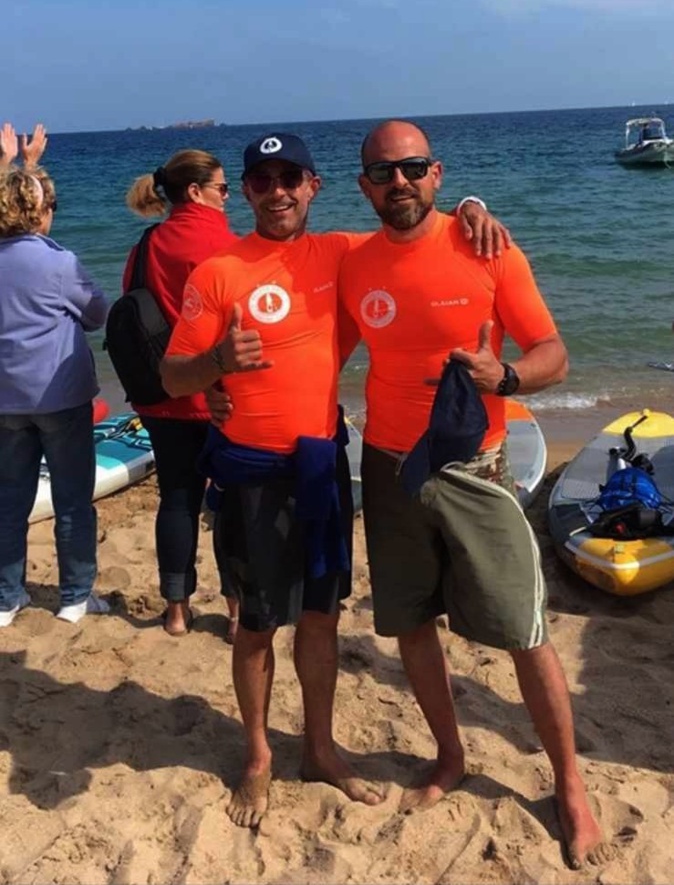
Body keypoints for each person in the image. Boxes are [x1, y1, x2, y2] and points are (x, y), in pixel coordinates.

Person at [161, 131, 509, 830]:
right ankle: (258, 755)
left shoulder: (344, 254)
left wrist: (470, 202)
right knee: (256, 625)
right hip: (252, 476)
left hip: (320, 465)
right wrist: (215, 366)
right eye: (261, 181)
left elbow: (412, 226)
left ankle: (319, 748)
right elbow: (172, 374)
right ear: (247, 192)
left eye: (291, 177)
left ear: (314, 187)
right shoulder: (217, 271)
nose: (278, 191)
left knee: (321, 619)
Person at [337, 119, 608, 870]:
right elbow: (300, 323)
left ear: (436, 174)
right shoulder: (352, 264)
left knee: (525, 632)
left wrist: (508, 378)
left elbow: (553, 353)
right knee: (412, 622)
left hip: (475, 467)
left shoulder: (486, 246)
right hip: (390, 468)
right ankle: (449, 756)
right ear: (364, 185)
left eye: (413, 168)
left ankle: (571, 787)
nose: (399, 182)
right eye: (384, 173)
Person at [122, 149, 240, 638]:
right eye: (222, 188)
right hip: (217, 395)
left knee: (176, 497)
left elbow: (132, 305)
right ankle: (237, 613)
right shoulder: (226, 243)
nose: (228, 197)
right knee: (231, 502)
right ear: (195, 192)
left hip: (160, 392)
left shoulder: (146, 244)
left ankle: (175, 610)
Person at [0, 168, 109, 626]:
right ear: (38, 211)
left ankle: (6, 597)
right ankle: (75, 595)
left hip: (5, 398)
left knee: (8, 498)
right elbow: (98, 313)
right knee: (72, 498)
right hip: (59, 397)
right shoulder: (58, 262)